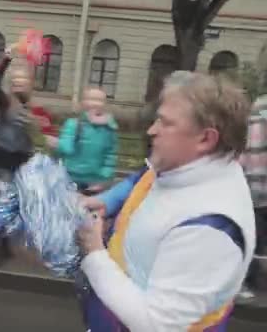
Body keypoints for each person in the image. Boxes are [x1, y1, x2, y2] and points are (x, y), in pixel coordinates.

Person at [77, 71, 256, 331]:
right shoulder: (187, 165)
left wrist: (94, 252)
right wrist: (109, 201)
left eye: (165, 123)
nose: (151, 130)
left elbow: (157, 325)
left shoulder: (211, 229)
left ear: (205, 139)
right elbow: (147, 176)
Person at [0, 44, 44, 265]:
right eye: (16, 80)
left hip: (18, 164)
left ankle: (5, 244)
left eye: (23, 80)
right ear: (12, 83)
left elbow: (28, 135)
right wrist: (5, 59)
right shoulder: (4, 102)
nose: (19, 83)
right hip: (0, 160)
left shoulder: (29, 106)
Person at [50, 87, 118, 194]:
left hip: (95, 181)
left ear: (105, 104)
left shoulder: (109, 128)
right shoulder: (73, 124)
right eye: (91, 99)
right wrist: (59, 144)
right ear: (83, 102)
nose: (95, 104)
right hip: (70, 176)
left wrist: (105, 176)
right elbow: (67, 149)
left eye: (99, 100)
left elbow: (110, 154)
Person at [238, 93, 267, 300]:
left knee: (254, 237)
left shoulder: (257, 107)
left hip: (252, 183)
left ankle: (250, 281)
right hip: (255, 185)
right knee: (254, 237)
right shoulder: (260, 108)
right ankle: (246, 281)